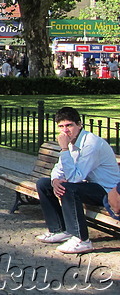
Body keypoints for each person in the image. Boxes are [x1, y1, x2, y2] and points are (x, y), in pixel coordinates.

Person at [34, 107, 120, 254]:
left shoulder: (91, 144)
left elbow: (74, 178)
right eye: (61, 126)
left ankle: (81, 239)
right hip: (89, 185)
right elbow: (59, 168)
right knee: (43, 184)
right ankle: (59, 230)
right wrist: (55, 180)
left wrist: (64, 149)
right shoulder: (71, 142)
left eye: (69, 125)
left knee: (69, 189)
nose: (65, 130)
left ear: (79, 124)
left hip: (107, 191)